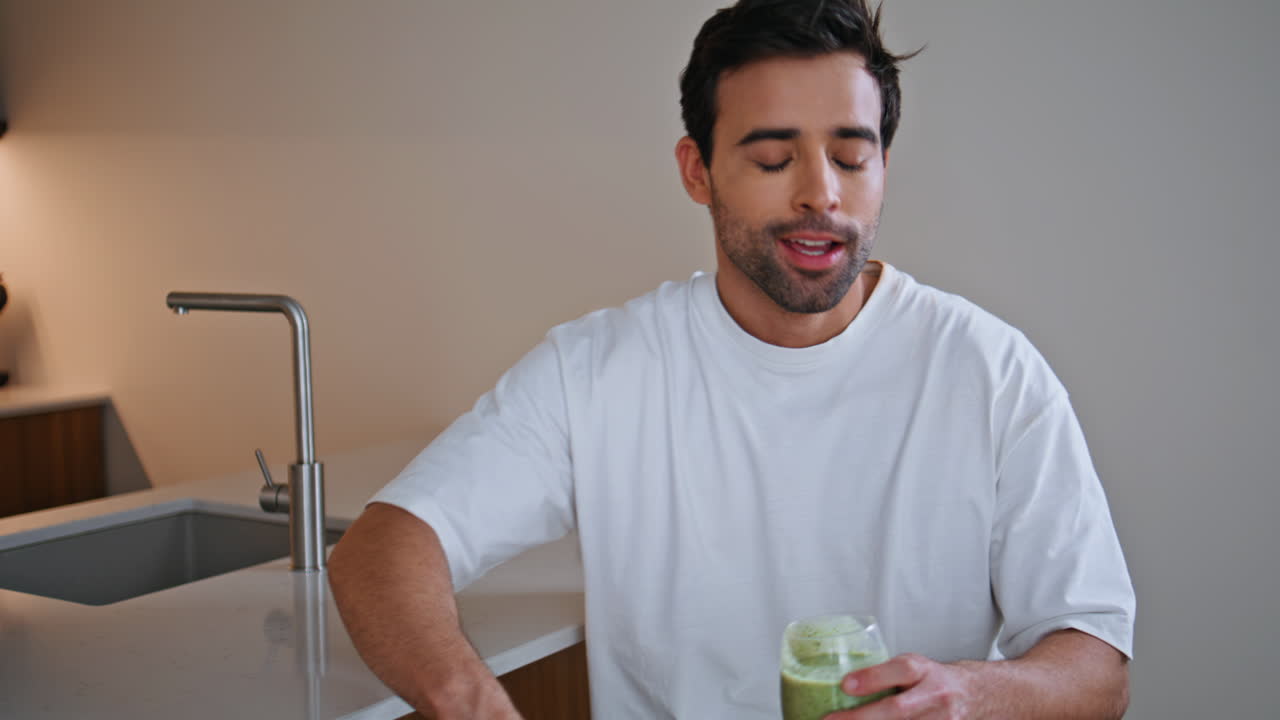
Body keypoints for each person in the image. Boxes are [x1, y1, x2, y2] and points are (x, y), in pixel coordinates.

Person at [328, 1, 1136, 718]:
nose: (820, 193)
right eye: (774, 158)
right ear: (698, 172)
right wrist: (470, 702)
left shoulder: (990, 372)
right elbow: (385, 548)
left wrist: (969, 697)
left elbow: (1096, 666)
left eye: (852, 157)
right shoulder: (599, 371)